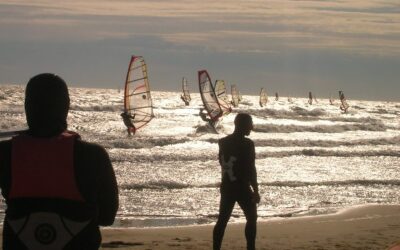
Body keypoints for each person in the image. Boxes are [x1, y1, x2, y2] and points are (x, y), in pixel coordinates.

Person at [0, 73, 119, 250]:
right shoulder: (93, 155)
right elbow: (107, 217)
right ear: (66, 106)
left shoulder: (4, 152)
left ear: (27, 106)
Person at [213, 113, 260, 250]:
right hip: (242, 187)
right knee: (251, 218)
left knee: (222, 220)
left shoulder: (223, 142)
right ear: (242, 125)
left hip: (227, 187)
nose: (251, 127)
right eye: (249, 124)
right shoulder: (248, 144)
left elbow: (223, 163)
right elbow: (251, 168)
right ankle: (250, 248)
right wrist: (255, 190)